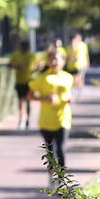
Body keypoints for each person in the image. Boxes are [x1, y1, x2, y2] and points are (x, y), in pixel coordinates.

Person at [28, 46, 74, 190]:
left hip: (63, 119)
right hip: (46, 121)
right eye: (52, 59)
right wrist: (44, 99)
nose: (54, 62)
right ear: (48, 61)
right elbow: (29, 96)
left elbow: (68, 95)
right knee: (50, 152)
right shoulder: (42, 79)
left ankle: (61, 180)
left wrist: (66, 99)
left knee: (61, 149)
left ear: (63, 61)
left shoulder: (68, 77)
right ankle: (52, 175)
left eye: (57, 59)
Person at [7, 41, 37, 130]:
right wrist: (16, 66)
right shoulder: (16, 55)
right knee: (20, 102)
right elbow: (9, 65)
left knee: (28, 101)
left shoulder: (32, 56)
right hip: (19, 82)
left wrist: (37, 68)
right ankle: (21, 119)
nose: (25, 49)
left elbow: (37, 66)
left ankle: (27, 120)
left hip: (29, 82)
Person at [66, 34, 90, 101]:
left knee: (79, 78)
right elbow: (69, 57)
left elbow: (86, 54)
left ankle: (79, 92)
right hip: (71, 66)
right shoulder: (70, 47)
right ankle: (78, 91)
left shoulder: (83, 45)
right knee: (75, 79)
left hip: (81, 65)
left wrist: (88, 62)